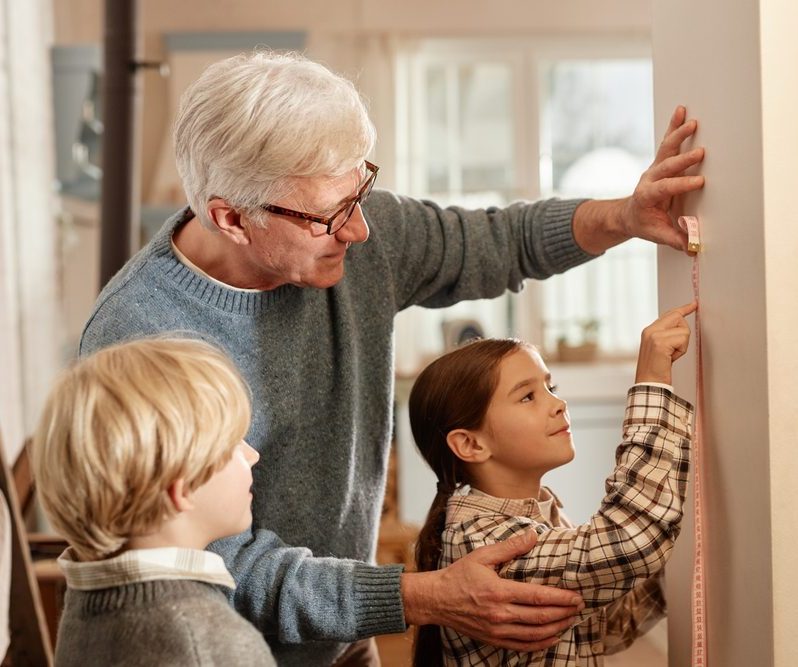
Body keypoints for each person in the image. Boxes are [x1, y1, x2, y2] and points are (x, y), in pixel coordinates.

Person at [79, 51, 705, 665]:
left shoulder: (349, 227)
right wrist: (419, 597)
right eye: (331, 215)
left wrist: (624, 216)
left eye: (361, 191)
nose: (360, 231)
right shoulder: (141, 338)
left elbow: (500, 241)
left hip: (348, 636)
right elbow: (218, 564)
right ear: (232, 218)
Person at [408, 303, 696, 666]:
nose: (559, 403)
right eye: (527, 396)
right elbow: (628, 540)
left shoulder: (542, 517)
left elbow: (607, 626)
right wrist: (652, 383)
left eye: (550, 387)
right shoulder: (484, 542)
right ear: (471, 444)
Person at [31, 338, 276, 667]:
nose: (252, 455)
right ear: (183, 488)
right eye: (234, 443)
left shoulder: (85, 606)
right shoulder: (210, 642)